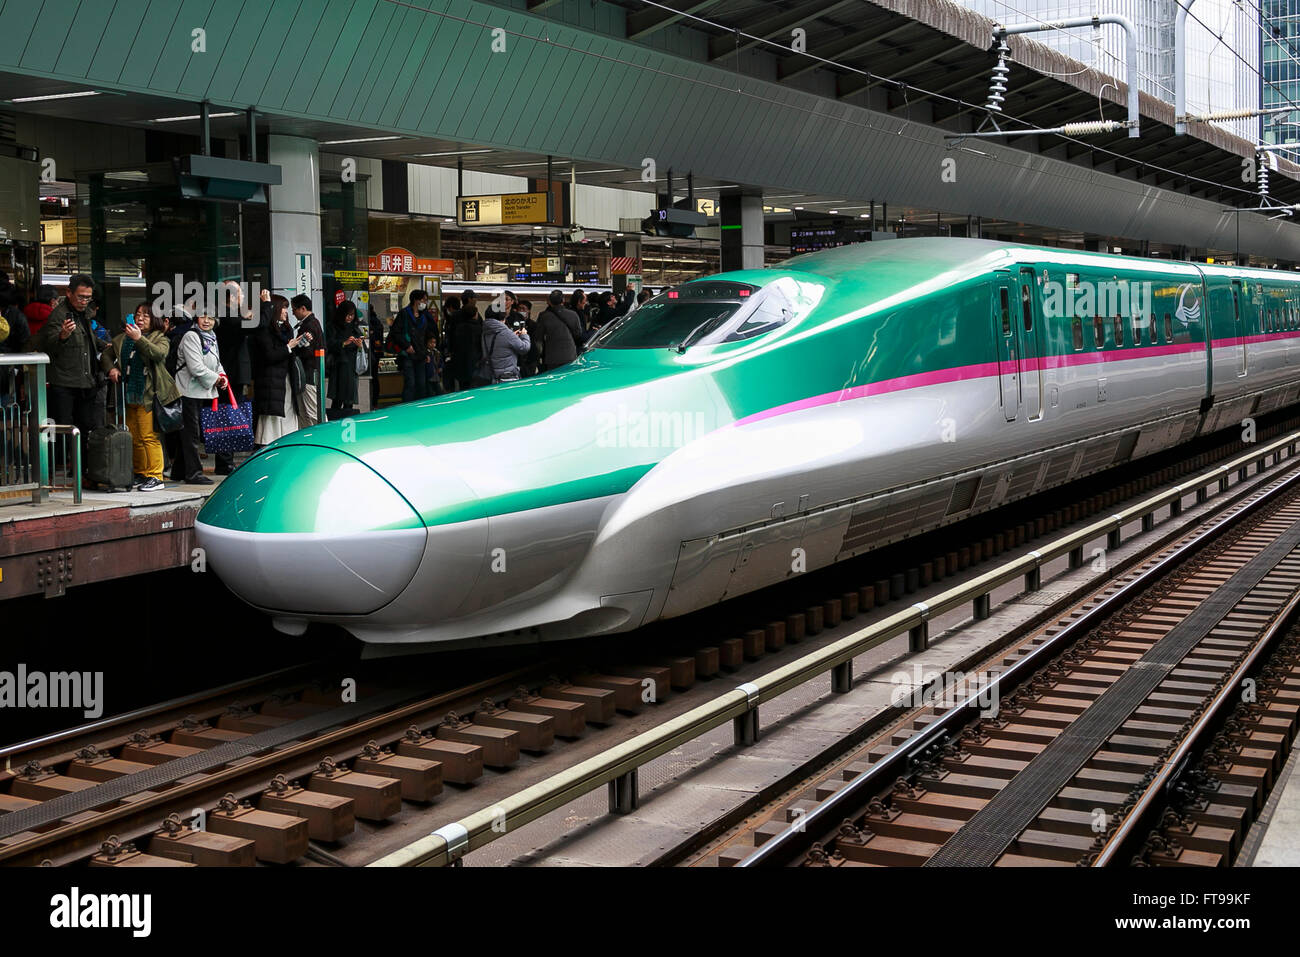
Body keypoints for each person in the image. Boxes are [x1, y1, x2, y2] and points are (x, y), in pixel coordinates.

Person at [100, 302, 180, 491]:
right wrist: (111, 368)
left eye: (146, 315)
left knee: (149, 437)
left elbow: (158, 354)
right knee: (134, 437)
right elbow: (106, 355)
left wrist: (139, 339)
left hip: (150, 395)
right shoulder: (122, 339)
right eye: (138, 315)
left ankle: (156, 476)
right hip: (129, 395)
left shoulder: (160, 338)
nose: (140, 318)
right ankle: (141, 473)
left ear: (155, 320)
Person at [35, 274, 104, 477]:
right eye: (81, 297)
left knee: (84, 426)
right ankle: (53, 469)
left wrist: (106, 346)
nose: (84, 301)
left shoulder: (86, 314)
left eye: (88, 298)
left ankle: (79, 470)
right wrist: (62, 336)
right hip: (64, 382)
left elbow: (89, 341)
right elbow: (48, 344)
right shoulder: (59, 315)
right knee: (62, 427)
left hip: (85, 380)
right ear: (69, 293)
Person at [173, 311, 229, 486]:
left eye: (211, 318)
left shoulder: (211, 337)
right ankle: (193, 473)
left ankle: (179, 471)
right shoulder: (191, 336)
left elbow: (216, 361)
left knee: (189, 432)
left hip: (200, 390)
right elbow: (196, 367)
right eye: (203, 317)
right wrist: (216, 379)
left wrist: (223, 376)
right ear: (196, 318)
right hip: (188, 390)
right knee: (192, 434)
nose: (207, 321)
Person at [250, 294, 304, 447]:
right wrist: (289, 347)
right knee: (272, 417)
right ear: (275, 309)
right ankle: (270, 444)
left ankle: (287, 442)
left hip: (285, 378)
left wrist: (298, 345)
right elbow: (269, 355)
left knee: (287, 410)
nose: (286, 311)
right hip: (270, 380)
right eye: (283, 308)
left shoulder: (286, 329)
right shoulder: (264, 330)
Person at [389, 289, 434, 402]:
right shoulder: (404, 313)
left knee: (421, 384)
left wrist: (426, 353)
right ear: (415, 300)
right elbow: (396, 332)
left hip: (421, 355)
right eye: (423, 300)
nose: (425, 302)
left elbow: (425, 335)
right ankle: (407, 408)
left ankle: (420, 408)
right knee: (410, 383)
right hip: (408, 354)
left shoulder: (424, 316)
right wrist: (406, 346)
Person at [217, 280, 255, 400]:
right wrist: (267, 305)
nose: (243, 295)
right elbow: (257, 325)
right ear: (232, 297)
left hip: (232, 372)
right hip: (231, 372)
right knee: (232, 410)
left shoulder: (234, 314)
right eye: (240, 292)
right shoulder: (228, 316)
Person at [326, 299, 364, 416]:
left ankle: (347, 420)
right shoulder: (332, 326)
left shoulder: (355, 328)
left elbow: (362, 349)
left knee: (349, 400)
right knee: (337, 399)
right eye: (347, 315)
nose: (349, 318)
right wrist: (344, 343)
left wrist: (360, 346)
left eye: (352, 315)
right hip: (338, 366)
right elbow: (329, 344)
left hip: (351, 367)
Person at [290, 294, 323, 424]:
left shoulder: (308, 325)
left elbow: (306, 352)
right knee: (308, 412)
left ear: (302, 308)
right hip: (311, 373)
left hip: (308, 373)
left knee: (312, 412)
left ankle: (322, 438)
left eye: (294, 310)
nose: (292, 313)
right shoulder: (314, 323)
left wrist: (294, 346)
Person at [480, 303, 530, 383]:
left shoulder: (485, 332)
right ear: (502, 317)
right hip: (507, 376)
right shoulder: (506, 333)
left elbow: (499, 344)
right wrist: (524, 335)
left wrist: (512, 336)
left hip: (492, 375)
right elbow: (524, 348)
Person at [537, 289, 584, 372]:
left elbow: (538, 337)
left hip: (552, 355)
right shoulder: (573, 314)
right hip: (570, 354)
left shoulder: (544, 316)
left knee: (553, 379)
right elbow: (578, 334)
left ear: (550, 302)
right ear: (563, 300)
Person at [447, 290, 481, 391]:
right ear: (470, 299)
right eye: (475, 298)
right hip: (474, 358)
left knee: (462, 384)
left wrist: (450, 351)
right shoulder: (477, 322)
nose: (476, 300)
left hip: (459, 357)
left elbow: (450, 335)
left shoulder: (455, 316)